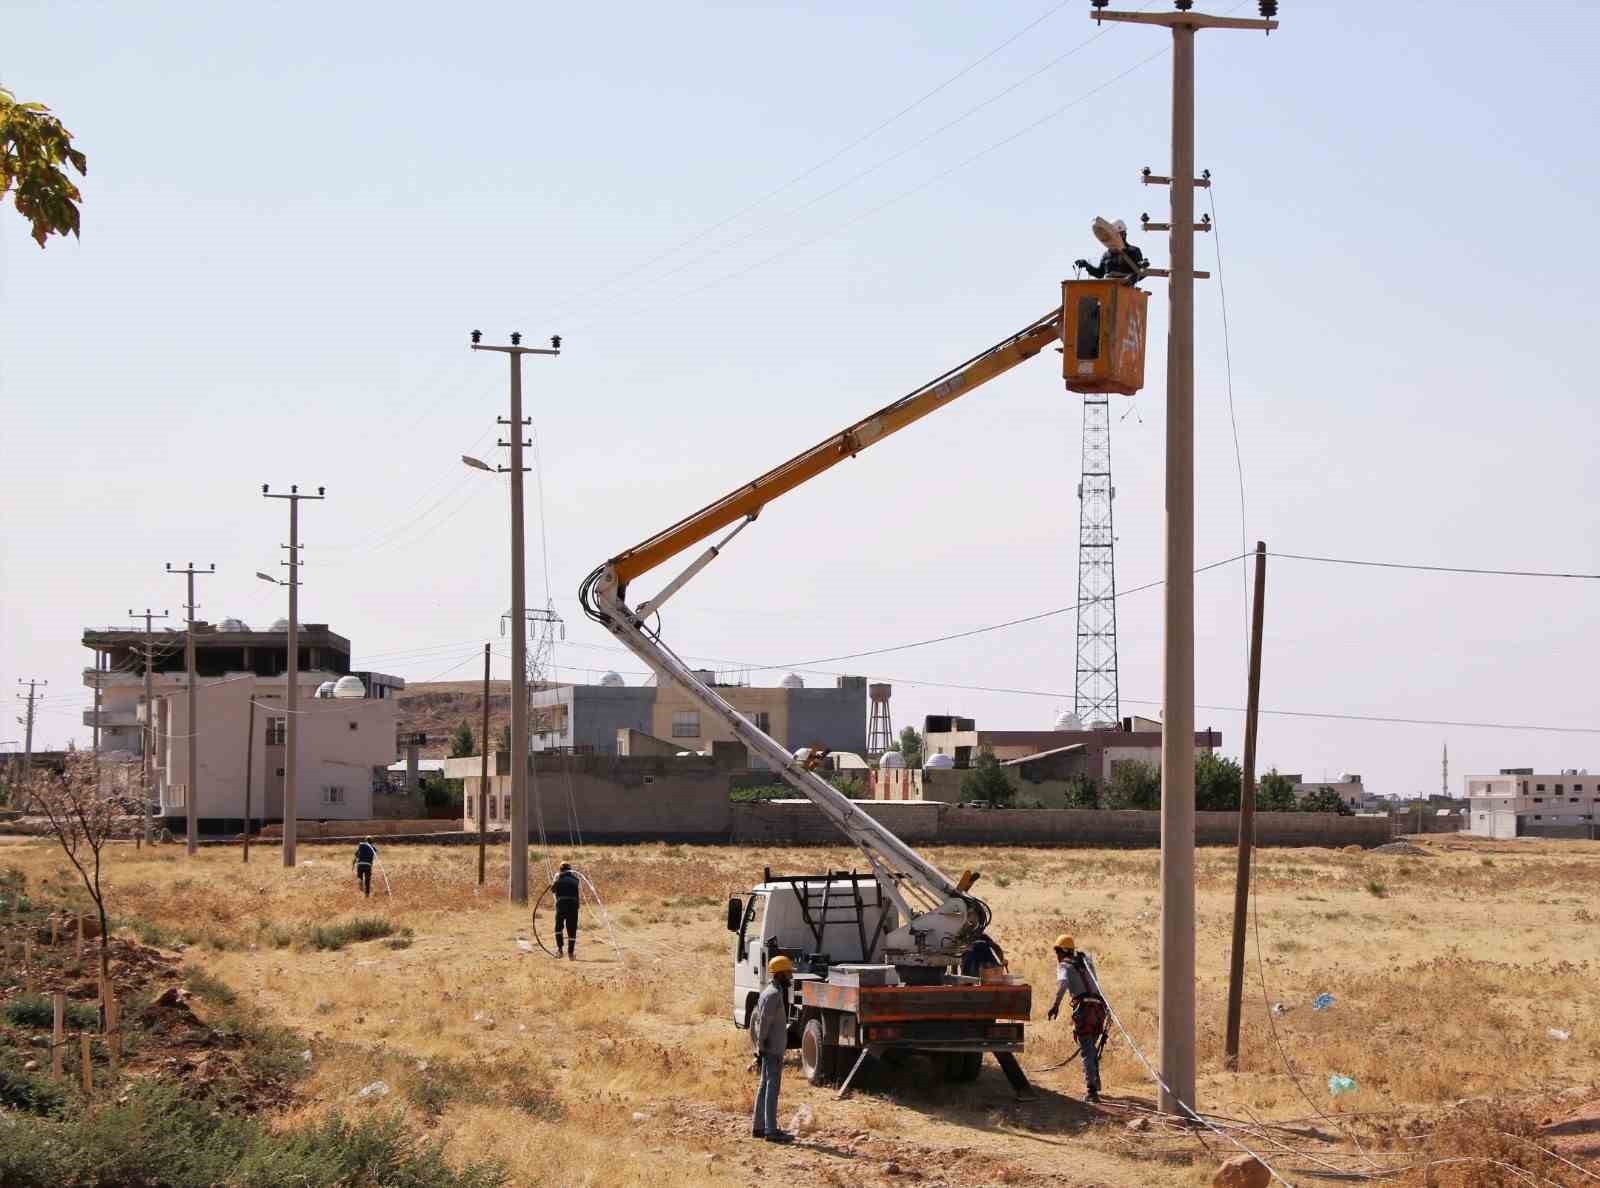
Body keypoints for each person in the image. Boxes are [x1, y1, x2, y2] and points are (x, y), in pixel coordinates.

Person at [1045, 933, 1108, 1103]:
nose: (1056, 957)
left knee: (1087, 1049)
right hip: (1099, 1009)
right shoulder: (1086, 961)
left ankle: (1092, 1091)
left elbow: (1063, 984)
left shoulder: (1064, 966)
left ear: (1060, 952)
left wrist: (1055, 1005)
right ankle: (1095, 1080)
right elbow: (1095, 983)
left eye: (1057, 953)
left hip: (1084, 1010)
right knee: (1091, 1048)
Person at [751, 955, 795, 1143]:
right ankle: (770, 1130)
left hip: (770, 1048)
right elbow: (764, 1024)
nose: (791, 976)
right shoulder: (773, 995)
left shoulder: (771, 991)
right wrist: (761, 1047)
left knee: (764, 1087)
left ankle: (759, 1127)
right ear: (779, 975)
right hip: (772, 1049)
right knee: (771, 1089)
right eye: (788, 973)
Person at [1075, 219, 1147, 284]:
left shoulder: (1133, 251)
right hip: (1107, 289)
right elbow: (1100, 273)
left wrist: (1130, 280)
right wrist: (1086, 265)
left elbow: (1142, 273)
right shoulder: (1107, 254)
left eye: (1122, 234)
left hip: (1126, 292)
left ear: (1124, 234)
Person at [550, 862, 581, 960]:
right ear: (570, 870)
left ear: (560, 869)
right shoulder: (576, 879)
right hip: (573, 906)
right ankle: (571, 954)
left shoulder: (559, 878)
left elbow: (553, 890)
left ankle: (560, 951)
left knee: (558, 927)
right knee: (572, 929)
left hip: (561, 905)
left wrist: (555, 879)